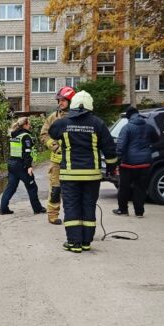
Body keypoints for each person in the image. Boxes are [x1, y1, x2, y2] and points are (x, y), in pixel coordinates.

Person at [48, 91, 118, 253]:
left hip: (70, 175)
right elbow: (110, 149)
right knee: (88, 206)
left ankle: (74, 243)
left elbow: (52, 132)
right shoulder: (98, 124)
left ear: (73, 106)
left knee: (72, 207)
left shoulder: (63, 123)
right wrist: (110, 168)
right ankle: (86, 242)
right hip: (91, 176)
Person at [113, 106, 160, 218]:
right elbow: (156, 139)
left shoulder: (127, 128)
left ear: (129, 116)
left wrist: (117, 160)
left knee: (124, 187)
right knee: (140, 188)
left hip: (127, 164)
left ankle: (123, 210)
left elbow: (121, 146)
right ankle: (139, 212)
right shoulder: (148, 127)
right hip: (144, 163)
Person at [39, 86, 76, 225]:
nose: (60, 103)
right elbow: (43, 134)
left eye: (63, 100)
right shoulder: (53, 117)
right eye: (59, 100)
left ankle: (71, 216)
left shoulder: (78, 117)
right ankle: (53, 216)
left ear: (71, 101)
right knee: (55, 189)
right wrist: (53, 145)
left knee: (72, 190)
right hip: (57, 161)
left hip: (73, 161)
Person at [0, 117, 47, 215]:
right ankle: (37, 209)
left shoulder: (14, 135)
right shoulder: (25, 136)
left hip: (12, 164)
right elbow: (27, 152)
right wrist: (29, 166)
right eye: (29, 124)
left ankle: (3, 209)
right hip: (21, 165)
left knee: (11, 187)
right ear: (25, 124)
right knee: (32, 186)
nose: (30, 126)